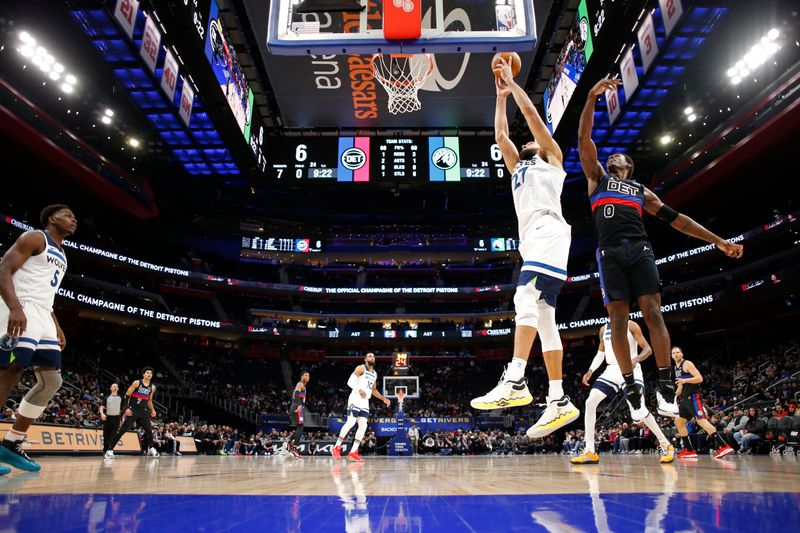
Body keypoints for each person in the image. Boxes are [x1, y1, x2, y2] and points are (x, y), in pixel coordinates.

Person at [578, 78, 744, 420]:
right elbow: (583, 140)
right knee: (618, 321)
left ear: (628, 166)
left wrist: (718, 241)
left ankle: (666, 382)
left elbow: (679, 221)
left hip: (639, 249)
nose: (612, 156)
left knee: (653, 313)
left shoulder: (641, 191)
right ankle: (630, 385)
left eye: (618, 156)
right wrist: (592, 98)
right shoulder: (596, 177)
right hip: (609, 252)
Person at [471, 56, 579, 439]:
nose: (529, 139)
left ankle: (515, 378)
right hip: (532, 239)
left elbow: (532, 115)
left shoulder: (552, 159)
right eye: (528, 142)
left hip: (549, 229)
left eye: (532, 139)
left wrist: (513, 83)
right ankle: (558, 399)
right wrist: (500, 94)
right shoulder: (519, 168)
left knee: (525, 298)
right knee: (545, 319)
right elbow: (501, 137)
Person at [0, 204, 76, 473]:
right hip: (21, 305)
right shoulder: (34, 238)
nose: (73, 219)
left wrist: (55, 325)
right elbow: (3, 270)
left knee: (52, 382)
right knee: (10, 369)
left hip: (43, 314)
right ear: (52, 219)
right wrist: (15, 307)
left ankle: (11, 443)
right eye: (68, 215)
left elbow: (47, 293)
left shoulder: (63, 253)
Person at [572, 321, 675, 464]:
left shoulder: (631, 325)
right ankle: (590, 450)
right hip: (611, 370)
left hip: (630, 368)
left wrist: (636, 359)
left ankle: (666, 444)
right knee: (590, 402)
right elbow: (600, 354)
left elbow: (648, 349)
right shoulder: (604, 328)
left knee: (638, 410)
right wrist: (590, 370)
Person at [670, 347, 734, 459]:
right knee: (678, 422)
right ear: (671, 355)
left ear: (682, 353)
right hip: (684, 399)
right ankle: (689, 450)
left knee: (701, 421)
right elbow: (680, 386)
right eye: (673, 353)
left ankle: (724, 446)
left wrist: (685, 380)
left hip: (693, 397)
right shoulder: (676, 368)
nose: (676, 354)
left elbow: (699, 378)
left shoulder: (687, 364)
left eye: (678, 352)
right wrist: (673, 396)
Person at [332, 352, 390, 462]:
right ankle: (336, 447)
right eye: (369, 356)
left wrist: (383, 399)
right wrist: (359, 389)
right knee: (351, 422)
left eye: (373, 356)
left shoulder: (375, 373)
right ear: (365, 359)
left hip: (365, 401)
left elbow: (373, 390)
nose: (372, 357)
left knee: (363, 426)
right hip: (355, 397)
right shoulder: (360, 368)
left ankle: (353, 451)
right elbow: (350, 382)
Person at [104, 367, 159, 458]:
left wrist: (152, 410)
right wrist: (127, 408)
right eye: (147, 372)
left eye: (151, 373)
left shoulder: (152, 387)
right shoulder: (137, 383)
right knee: (122, 430)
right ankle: (109, 450)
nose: (149, 374)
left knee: (149, 430)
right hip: (133, 410)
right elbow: (126, 396)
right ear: (143, 374)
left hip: (143, 411)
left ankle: (151, 448)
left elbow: (149, 401)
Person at [287, 370, 310, 459]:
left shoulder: (302, 385)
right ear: (301, 376)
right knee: (300, 427)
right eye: (305, 375)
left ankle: (289, 442)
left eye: (308, 376)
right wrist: (299, 406)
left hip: (297, 406)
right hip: (298, 406)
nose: (307, 377)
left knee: (299, 427)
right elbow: (296, 393)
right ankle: (294, 449)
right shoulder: (300, 384)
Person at [100, 383, 122, 458]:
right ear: (110, 388)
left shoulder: (120, 398)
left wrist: (122, 418)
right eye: (113, 386)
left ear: (118, 389)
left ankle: (110, 450)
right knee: (105, 435)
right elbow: (101, 407)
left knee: (113, 435)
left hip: (116, 418)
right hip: (108, 418)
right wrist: (102, 414)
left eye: (116, 386)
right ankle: (105, 450)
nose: (115, 387)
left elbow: (123, 408)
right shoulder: (107, 397)